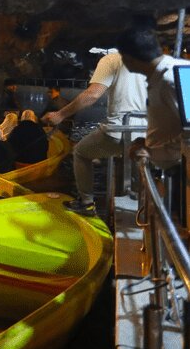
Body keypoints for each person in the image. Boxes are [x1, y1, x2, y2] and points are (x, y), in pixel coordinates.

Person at [42, 49, 147, 216]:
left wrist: (60, 114)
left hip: (119, 130)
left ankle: (87, 203)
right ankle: (143, 206)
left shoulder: (111, 60)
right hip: (145, 131)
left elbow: (92, 94)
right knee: (140, 169)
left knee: (81, 153)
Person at [117, 25, 190, 175]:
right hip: (176, 168)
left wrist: (153, 151)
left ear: (128, 58)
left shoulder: (170, 79)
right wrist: (148, 144)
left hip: (183, 172)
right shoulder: (166, 74)